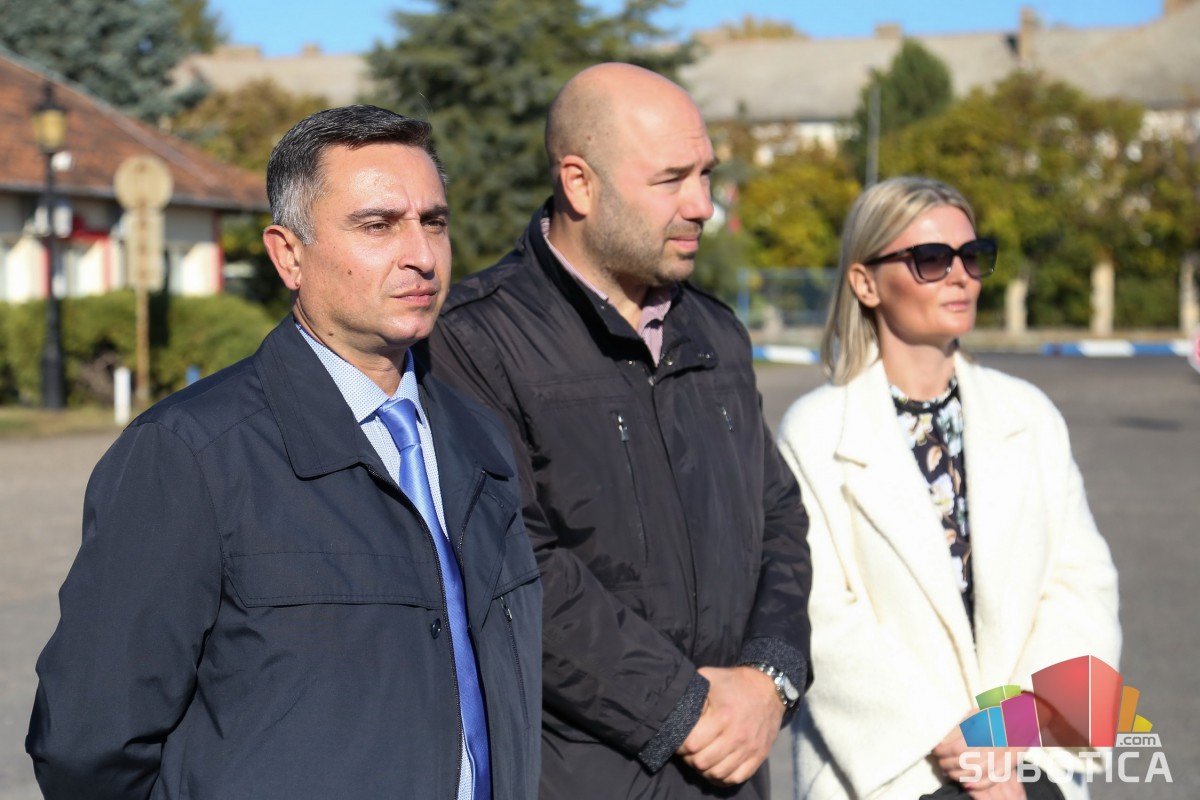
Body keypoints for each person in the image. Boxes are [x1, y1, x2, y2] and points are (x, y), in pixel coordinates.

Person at [26, 105, 541, 800]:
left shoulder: (476, 437)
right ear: (288, 255)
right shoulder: (192, 454)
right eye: (378, 225)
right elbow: (88, 744)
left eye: (434, 221)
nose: (422, 255)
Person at [422, 63, 813, 799]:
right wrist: (685, 710)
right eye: (671, 179)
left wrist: (771, 676)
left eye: (706, 174)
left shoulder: (717, 333)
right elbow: (513, 564)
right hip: (580, 776)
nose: (703, 205)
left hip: (734, 771)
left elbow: (780, 519)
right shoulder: (472, 342)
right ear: (579, 183)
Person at [776, 176, 1121, 800]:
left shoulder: (1029, 415)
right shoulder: (816, 431)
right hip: (890, 772)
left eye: (974, 255)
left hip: (1029, 764)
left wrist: (1010, 734)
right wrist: (955, 742)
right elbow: (821, 615)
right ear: (865, 283)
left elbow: (1080, 588)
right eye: (932, 259)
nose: (962, 276)